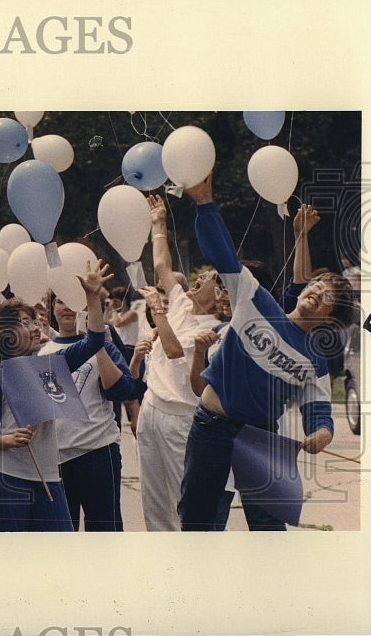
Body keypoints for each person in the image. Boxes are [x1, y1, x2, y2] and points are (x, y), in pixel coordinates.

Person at [177, 173, 357, 530]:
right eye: (317, 285)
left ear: (330, 318)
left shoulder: (314, 361)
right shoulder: (256, 300)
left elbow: (319, 410)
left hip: (260, 438)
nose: (317, 292)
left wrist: (322, 434)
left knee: (270, 528)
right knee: (196, 521)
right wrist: (204, 204)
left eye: (328, 298)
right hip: (210, 427)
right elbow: (223, 254)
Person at [0, 261, 112, 532]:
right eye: (25, 323)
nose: (36, 327)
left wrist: (93, 299)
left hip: (49, 479)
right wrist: (7, 440)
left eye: (35, 321)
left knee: (57, 555)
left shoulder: (53, 364)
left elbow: (94, 341)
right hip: (8, 481)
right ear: (7, 336)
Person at [135, 194, 228, 531]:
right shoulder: (182, 303)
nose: (199, 279)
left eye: (210, 280)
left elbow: (173, 349)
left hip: (181, 420)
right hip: (151, 408)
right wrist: (158, 223)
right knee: (153, 500)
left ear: (220, 295)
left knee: (181, 502)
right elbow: (162, 264)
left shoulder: (213, 330)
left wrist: (157, 311)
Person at [41, 293, 139, 531]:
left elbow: (122, 391)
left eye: (76, 302)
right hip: (55, 459)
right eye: (61, 301)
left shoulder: (105, 346)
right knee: (64, 533)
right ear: (52, 307)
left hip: (98, 451)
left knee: (105, 532)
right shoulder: (41, 350)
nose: (68, 309)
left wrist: (96, 345)